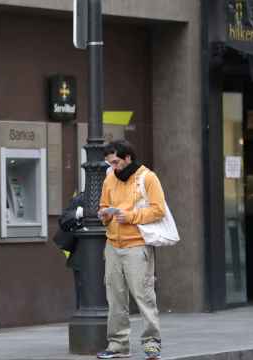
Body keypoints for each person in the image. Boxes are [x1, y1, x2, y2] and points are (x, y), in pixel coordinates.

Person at [96, 140, 166, 360]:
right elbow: (102, 205)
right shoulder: (109, 178)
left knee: (144, 296)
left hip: (137, 245)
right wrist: (105, 215)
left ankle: (151, 345)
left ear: (128, 158)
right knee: (115, 298)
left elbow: (158, 210)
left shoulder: (148, 177)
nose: (113, 167)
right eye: (109, 163)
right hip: (112, 244)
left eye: (116, 162)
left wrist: (131, 217)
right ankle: (118, 345)